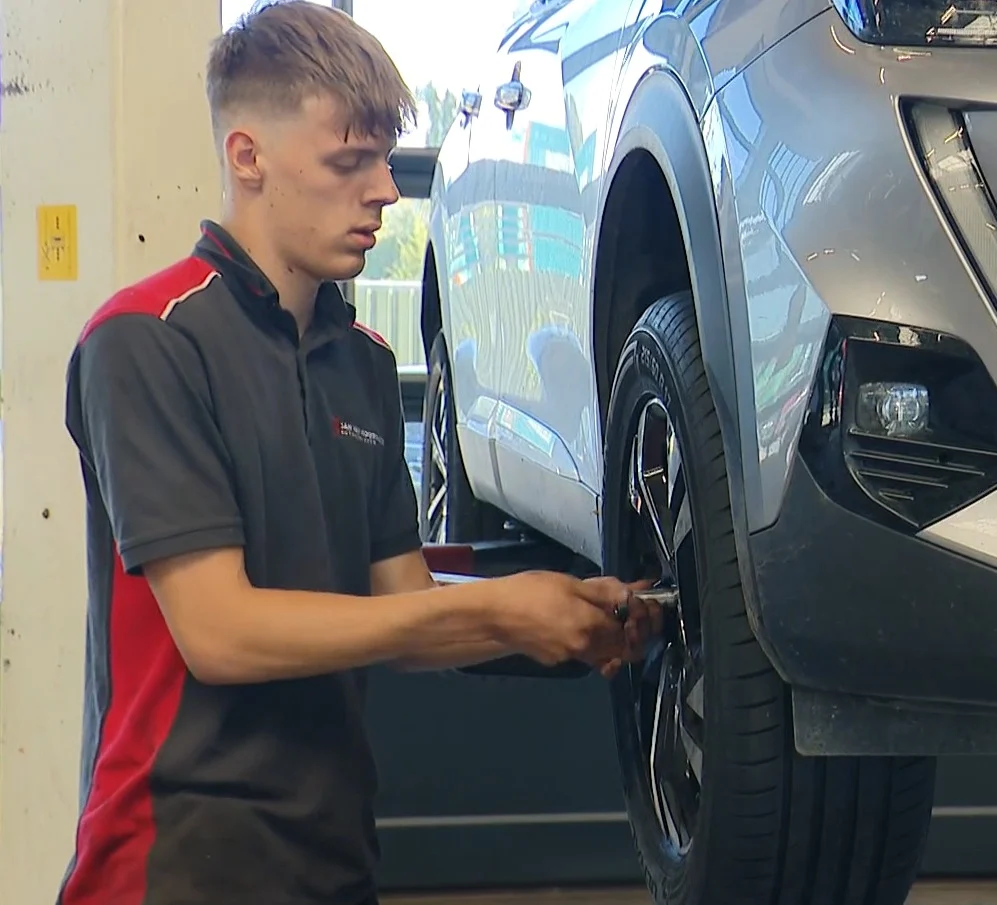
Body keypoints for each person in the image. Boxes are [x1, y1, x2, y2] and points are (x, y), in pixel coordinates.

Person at [56, 3, 660, 903]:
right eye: (349, 162)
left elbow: (401, 609)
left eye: (383, 158)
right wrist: (500, 609)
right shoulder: (147, 342)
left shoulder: (364, 365)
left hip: (334, 857)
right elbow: (220, 632)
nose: (384, 188)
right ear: (246, 157)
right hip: (174, 859)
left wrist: (558, 614)